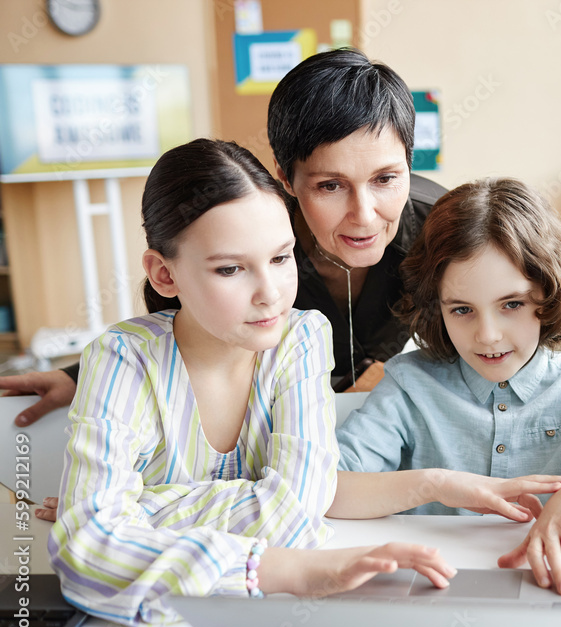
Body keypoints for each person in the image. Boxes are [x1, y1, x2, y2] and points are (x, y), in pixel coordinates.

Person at [48, 139, 456, 627]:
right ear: (164, 273)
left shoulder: (301, 339)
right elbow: (86, 553)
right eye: (230, 268)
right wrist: (278, 569)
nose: (271, 294)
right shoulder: (123, 358)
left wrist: (139, 513)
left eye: (281, 259)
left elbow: (296, 511)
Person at [0, 47, 444, 424]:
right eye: (330, 186)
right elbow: (188, 315)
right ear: (286, 180)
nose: (364, 216)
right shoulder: (253, 232)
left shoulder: (442, 231)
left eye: (386, 179)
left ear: (409, 160)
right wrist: (78, 379)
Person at [332, 177, 561, 596]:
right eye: (462, 309)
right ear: (437, 307)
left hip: (550, 587)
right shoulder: (410, 384)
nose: (487, 335)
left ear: (549, 292)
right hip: (432, 589)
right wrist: (437, 484)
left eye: (512, 304)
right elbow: (326, 489)